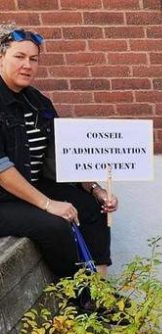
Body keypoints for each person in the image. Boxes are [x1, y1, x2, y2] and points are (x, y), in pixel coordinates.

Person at [0, 28, 118, 278]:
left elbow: (66, 155)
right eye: (19, 57)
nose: (27, 65)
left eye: (33, 59)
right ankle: (80, 296)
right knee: (54, 225)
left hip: (30, 186)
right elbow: (2, 171)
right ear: (1, 57)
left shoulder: (39, 102)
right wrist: (48, 203)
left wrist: (95, 189)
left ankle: (100, 289)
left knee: (91, 208)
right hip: (3, 199)